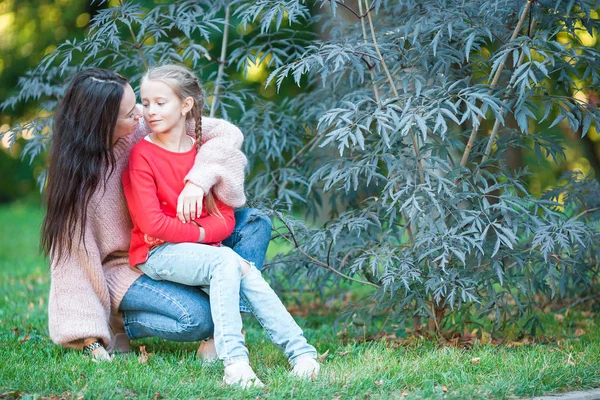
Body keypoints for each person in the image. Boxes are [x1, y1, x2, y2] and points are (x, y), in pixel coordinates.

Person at [42, 68, 271, 364]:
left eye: (138, 104)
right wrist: (89, 338)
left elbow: (227, 134)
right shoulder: (77, 185)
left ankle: (226, 333)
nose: (142, 115)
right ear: (101, 123)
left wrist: (198, 180)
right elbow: (71, 267)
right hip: (129, 265)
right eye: (130, 113)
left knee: (254, 223)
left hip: (177, 237)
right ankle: (121, 321)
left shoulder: (144, 122)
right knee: (197, 317)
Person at [122, 64, 320, 388]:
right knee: (228, 261)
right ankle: (235, 365)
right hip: (157, 252)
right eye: (146, 102)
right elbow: (151, 223)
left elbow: (226, 219)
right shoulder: (142, 156)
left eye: (161, 102)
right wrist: (201, 235)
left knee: (247, 273)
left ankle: (302, 355)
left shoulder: (206, 156)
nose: (150, 111)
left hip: (203, 250)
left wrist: (202, 235)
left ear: (185, 105)